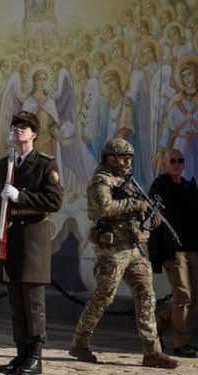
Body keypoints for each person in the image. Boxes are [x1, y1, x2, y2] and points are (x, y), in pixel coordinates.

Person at [69, 138, 178, 369]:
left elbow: (137, 213)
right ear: (109, 158)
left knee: (146, 296)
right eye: (123, 158)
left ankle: (152, 351)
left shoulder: (129, 182)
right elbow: (103, 208)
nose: (128, 163)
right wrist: (134, 205)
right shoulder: (101, 180)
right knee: (103, 297)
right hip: (112, 249)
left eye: (130, 158)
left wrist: (149, 219)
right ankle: (80, 342)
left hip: (134, 247)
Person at [0, 111, 63, 375]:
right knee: (17, 303)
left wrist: (22, 197)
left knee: (33, 304)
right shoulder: (2, 166)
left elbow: (54, 201)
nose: (19, 130)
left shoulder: (44, 165)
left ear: (34, 134)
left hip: (33, 240)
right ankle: (21, 355)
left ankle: (36, 358)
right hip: (10, 239)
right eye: (16, 126)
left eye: (25, 127)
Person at [148, 149, 198, 358]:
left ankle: (158, 324)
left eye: (180, 160)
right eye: (173, 161)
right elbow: (154, 223)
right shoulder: (159, 188)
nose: (177, 164)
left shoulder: (189, 187)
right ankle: (181, 343)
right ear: (164, 165)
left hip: (193, 248)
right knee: (183, 296)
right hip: (173, 251)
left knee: (192, 298)